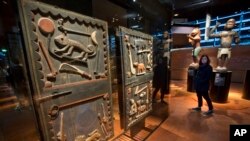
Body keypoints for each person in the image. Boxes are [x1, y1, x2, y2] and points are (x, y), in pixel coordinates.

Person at [152, 31, 172, 103]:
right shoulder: (159, 50)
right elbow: (157, 58)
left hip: (164, 69)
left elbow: (167, 59)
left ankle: (162, 99)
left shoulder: (167, 52)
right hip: (159, 69)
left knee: (163, 86)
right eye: (164, 33)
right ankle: (153, 98)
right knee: (158, 85)